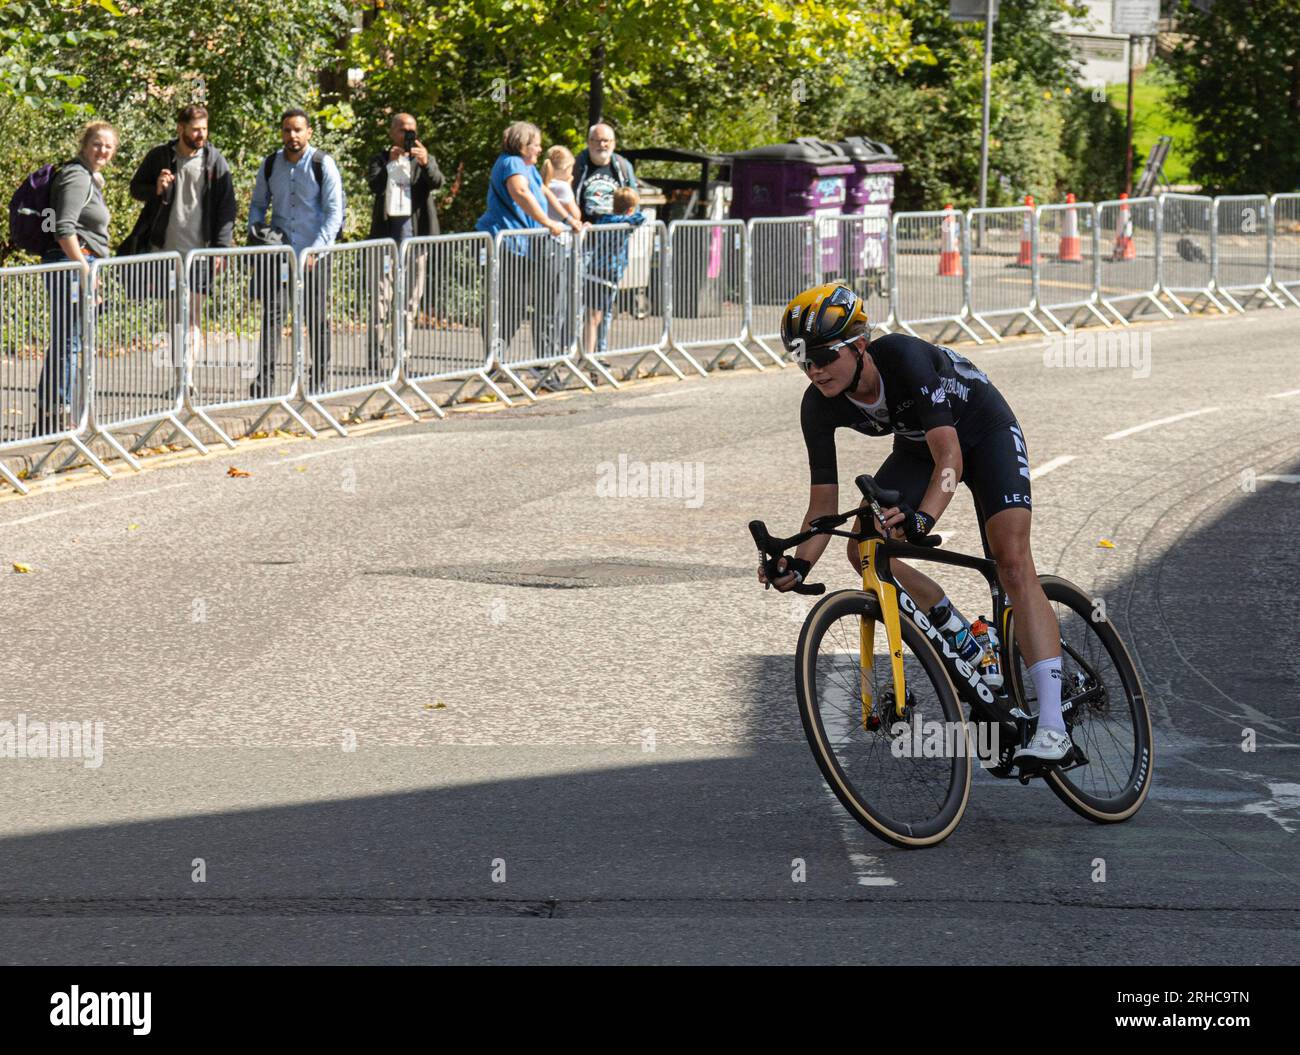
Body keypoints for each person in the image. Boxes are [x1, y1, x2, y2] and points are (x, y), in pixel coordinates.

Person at [759, 283, 1073, 765]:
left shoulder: (904, 357)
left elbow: (949, 456)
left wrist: (923, 517)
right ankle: (968, 642)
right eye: (803, 360)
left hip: (981, 432)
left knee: (1010, 560)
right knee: (864, 547)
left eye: (823, 355)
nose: (815, 370)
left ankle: (1053, 727)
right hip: (917, 446)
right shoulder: (817, 404)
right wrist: (798, 564)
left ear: (859, 346)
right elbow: (824, 500)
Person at [124, 104, 237, 392]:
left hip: (200, 251)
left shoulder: (214, 161)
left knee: (192, 316)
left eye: (204, 129)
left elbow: (227, 207)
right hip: (165, 249)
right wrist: (157, 189)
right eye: (195, 129)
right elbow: (136, 188)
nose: (201, 135)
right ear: (181, 128)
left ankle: (186, 379)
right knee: (173, 315)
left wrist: (221, 248)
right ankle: (178, 379)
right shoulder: (161, 156)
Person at [247, 108, 345, 398]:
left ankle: (320, 378)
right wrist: (256, 230)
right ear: (282, 132)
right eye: (287, 130)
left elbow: (334, 212)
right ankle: (265, 382)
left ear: (309, 132)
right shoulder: (270, 165)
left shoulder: (322, 164)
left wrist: (317, 248)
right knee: (272, 317)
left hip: (314, 255)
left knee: (315, 317)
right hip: (279, 255)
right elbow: (258, 204)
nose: (292, 136)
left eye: (298, 130)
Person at [35, 121, 118, 436]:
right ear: (84, 144)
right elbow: (64, 229)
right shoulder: (75, 176)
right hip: (72, 265)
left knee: (68, 341)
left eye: (109, 146)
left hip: (78, 264)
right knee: (69, 342)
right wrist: (85, 271)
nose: (103, 150)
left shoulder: (87, 177)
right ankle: (59, 414)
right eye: (97, 143)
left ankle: (51, 415)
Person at [475, 122, 581, 359]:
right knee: (509, 306)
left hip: (524, 245)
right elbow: (520, 193)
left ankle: (498, 361)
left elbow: (543, 191)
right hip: (507, 243)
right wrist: (548, 223)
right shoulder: (511, 162)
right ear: (522, 145)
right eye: (535, 144)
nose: (540, 149)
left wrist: (566, 218)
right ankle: (494, 361)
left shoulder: (527, 166)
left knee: (517, 304)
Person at [365, 112, 444, 371]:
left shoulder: (423, 158)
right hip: (385, 240)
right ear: (392, 132)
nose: (407, 134)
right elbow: (374, 186)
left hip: (416, 240)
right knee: (380, 299)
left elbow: (437, 182)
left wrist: (425, 163)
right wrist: (390, 163)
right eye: (402, 130)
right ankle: (375, 356)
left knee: (410, 300)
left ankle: (403, 354)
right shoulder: (380, 157)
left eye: (411, 130)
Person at [583, 186, 645, 359]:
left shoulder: (604, 219)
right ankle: (589, 355)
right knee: (595, 317)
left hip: (593, 269)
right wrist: (632, 213)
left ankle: (590, 352)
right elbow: (641, 218)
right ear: (631, 209)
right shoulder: (624, 223)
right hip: (607, 273)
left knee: (592, 315)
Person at [572, 123, 636, 224]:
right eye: (597, 141)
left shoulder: (624, 166)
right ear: (589, 142)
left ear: (613, 143)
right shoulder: (576, 166)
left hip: (616, 232)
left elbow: (633, 199)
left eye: (606, 141)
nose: (602, 145)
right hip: (584, 233)